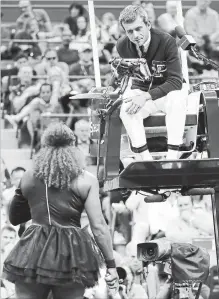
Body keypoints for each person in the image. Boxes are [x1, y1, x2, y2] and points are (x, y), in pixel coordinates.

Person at [2, 123, 119, 299]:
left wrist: (35, 204)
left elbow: (14, 217)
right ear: (73, 147)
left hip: (33, 251)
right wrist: (111, 265)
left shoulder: (28, 177)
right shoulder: (86, 180)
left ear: (44, 148)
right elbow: (99, 227)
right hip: (70, 253)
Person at [117, 5, 188, 162]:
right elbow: (130, 77)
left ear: (148, 24)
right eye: (129, 31)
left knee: (177, 99)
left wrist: (145, 97)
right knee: (126, 109)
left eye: (138, 28)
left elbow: (176, 82)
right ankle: (146, 160)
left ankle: (172, 157)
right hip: (144, 92)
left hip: (168, 92)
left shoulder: (167, 41)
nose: (135, 35)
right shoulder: (122, 45)